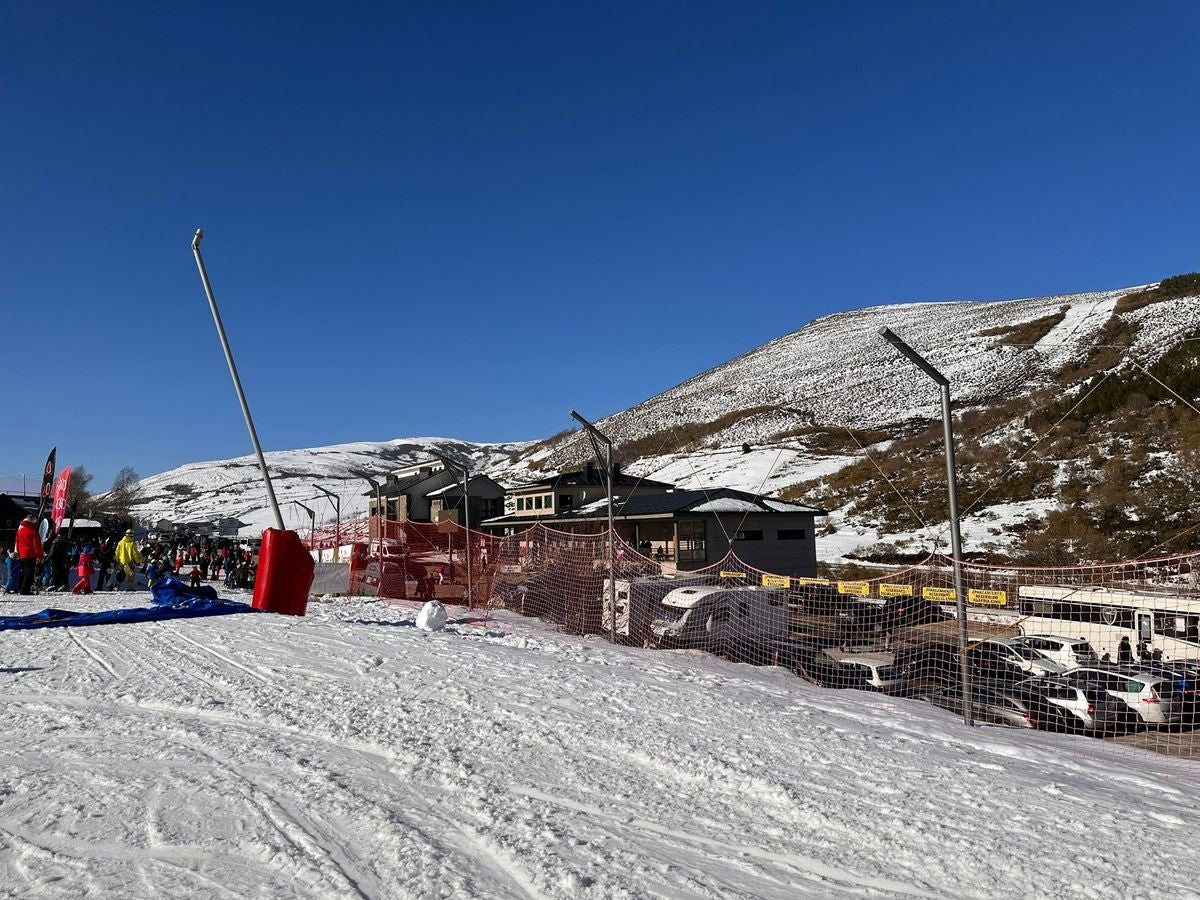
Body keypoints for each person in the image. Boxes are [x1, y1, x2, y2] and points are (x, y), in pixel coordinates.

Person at [14, 515, 43, 595]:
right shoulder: (32, 530)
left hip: (22, 554)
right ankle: (25, 590)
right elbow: (37, 544)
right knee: (29, 573)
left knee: (23, 572)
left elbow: (17, 543)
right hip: (30, 554)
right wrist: (40, 556)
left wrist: (18, 554)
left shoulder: (20, 530)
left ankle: (20, 588)